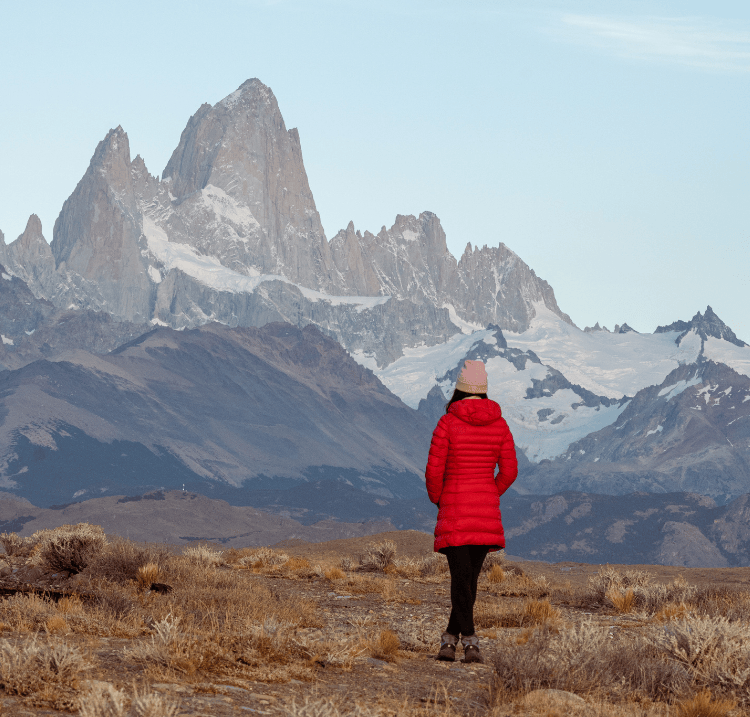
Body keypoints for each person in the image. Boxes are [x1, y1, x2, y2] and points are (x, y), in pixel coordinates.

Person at [425, 359, 518, 664]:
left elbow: (434, 470)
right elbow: (509, 471)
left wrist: (440, 499)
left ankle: (469, 643)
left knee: (460, 579)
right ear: (485, 391)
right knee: (469, 580)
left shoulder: (447, 423)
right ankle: (451, 641)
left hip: (454, 507)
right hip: (485, 511)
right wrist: (490, 492)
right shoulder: (500, 424)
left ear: (459, 390)